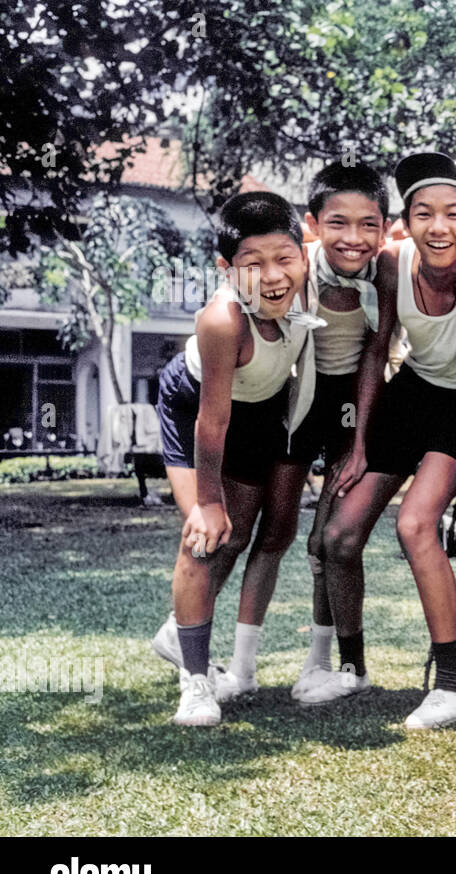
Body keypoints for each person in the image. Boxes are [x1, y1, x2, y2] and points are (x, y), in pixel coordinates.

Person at [305, 153, 456, 724]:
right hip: (409, 395)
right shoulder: (391, 265)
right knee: (337, 534)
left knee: (416, 525)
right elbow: (377, 348)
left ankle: (454, 682)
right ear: (404, 223)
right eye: (422, 213)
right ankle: (353, 668)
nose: (438, 227)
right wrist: (358, 443)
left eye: (452, 214)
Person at [206, 162, 393, 703]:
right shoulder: (291, 263)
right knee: (270, 532)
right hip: (295, 403)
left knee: (326, 542)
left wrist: (358, 443)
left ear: (383, 226)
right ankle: (234, 664)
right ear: (313, 225)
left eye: (368, 224)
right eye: (338, 223)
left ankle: (323, 663)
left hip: (350, 407)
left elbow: (375, 355)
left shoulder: (383, 271)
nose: (352, 239)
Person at [152, 191, 309, 725]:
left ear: (303, 252)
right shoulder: (223, 320)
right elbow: (210, 421)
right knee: (205, 536)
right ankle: (196, 683)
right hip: (198, 408)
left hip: (256, 409)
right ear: (225, 268)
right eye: (252, 264)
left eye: (284, 259)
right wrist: (209, 501)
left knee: (239, 536)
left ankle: (177, 630)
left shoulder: (306, 286)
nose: (272, 276)